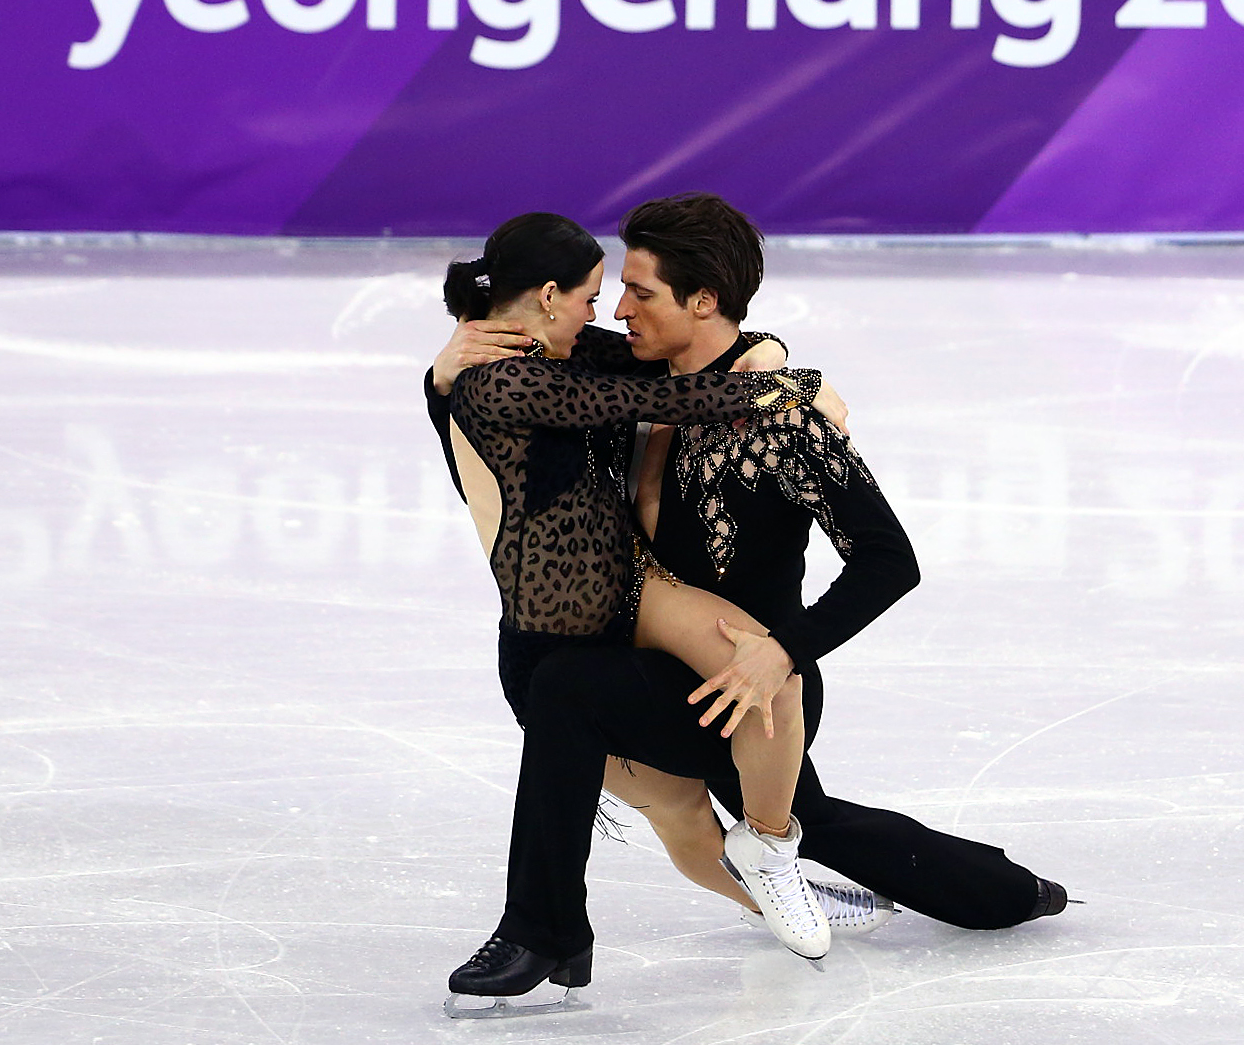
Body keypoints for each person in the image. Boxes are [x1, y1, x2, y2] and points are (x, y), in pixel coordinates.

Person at [428, 196, 1067, 1010]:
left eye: (640, 292)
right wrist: (442, 377)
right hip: (638, 659)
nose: (619, 310)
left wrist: (783, 649)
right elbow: (499, 432)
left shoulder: (782, 421)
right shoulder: (617, 371)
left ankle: (1007, 893)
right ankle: (554, 927)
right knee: (614, 732)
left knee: (805, 818)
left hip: (754, 678)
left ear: (702, 299)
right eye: (613, 290)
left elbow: (888, 562)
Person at [431, 213, 839, 1007]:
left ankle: (771, 853)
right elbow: (669, 397)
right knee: (681, 819)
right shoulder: (501, 379)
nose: (605, 310)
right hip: (550, 638)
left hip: (627, 590)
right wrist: (793, 386)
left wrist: (773, 350)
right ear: (549, 297)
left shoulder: (566, 348)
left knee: (768, 674)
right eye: (591, 295)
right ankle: (552, 933)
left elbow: (679, 360)